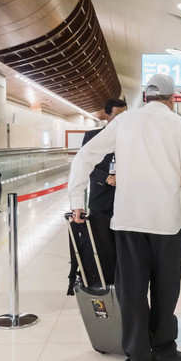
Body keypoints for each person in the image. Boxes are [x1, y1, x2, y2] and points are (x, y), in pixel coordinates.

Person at [68, 73, 181, 361]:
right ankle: (165, 350)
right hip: (167, 223)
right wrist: (174, 177)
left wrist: (77, 199)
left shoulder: (124, 122)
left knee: (132, 292)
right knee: (166, 288)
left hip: (129, 222)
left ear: (145, 97)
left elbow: (86, 155)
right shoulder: (180, 126)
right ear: (171, 99)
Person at [67, 98, 127, 294]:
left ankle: (120, 285)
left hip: (125, 202)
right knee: (102, 246)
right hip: (101, 200)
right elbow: (86, 164)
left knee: (122, 249)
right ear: (107, 116)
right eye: (117, 116)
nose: (122, 120)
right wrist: (106, 177)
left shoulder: (130, 137)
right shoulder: (93, 136)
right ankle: (103, 284)